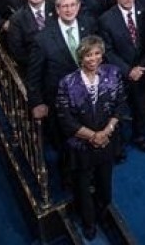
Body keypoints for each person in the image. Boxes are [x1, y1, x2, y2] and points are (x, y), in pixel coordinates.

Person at [55, 36, 126, 240]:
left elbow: (120, 104)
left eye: (96, 53)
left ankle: (103, 214)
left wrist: (106, 131)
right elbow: (66, 120)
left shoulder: (113, 73)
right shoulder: (67, 83)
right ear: (81, 58)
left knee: (105, 184)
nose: (93, 58)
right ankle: (89, 223)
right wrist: (93, 136)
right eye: (88, 54)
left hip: (107, 141)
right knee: (83, 188)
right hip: (80, 146)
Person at [97, 0, 145, 153]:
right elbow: (108, 51)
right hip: (119, 74)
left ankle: (140, 136)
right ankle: (118, 146)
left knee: (142, 107)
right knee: (117, 112)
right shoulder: (106, 19)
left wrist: (141, 67)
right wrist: (128, 70)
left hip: (143, 70)